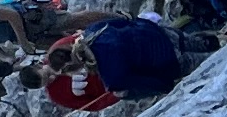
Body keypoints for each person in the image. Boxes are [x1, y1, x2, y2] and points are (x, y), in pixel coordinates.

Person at [38, 14, 198, 101]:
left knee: (203, 61)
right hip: (164, 36)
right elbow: (125, 21)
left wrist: (167, 86)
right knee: (199, 42)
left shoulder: (112, 79)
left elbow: (157, 84)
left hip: (172, 62)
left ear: (73, 67)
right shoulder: (94, 30)